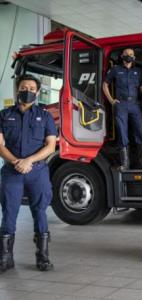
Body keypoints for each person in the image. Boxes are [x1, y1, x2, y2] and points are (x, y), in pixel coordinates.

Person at [0, 74, 57, 272]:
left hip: (37, 171)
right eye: (24, 87)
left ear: (38, 92)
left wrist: (28, 161)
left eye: (32, 89)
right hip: (12, 171)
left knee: (40, 211)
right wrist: (16, 162)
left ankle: (42, 257)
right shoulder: (4, 114)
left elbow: (51, 146)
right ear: (17, 89)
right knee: (9, 212)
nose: (28, 91)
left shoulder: (46, 116)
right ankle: (6, 259)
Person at [103, 48, 142, 169]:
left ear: (134, 57)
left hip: (134, 104)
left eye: (131, 54)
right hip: (121, 104)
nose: (129, 56)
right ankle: (125, 163)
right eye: (127, 54)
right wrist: (112, 101)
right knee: (122, 133)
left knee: (141, 132)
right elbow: (105, 84)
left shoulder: (137, 71)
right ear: (122, 56)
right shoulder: (115, 70)